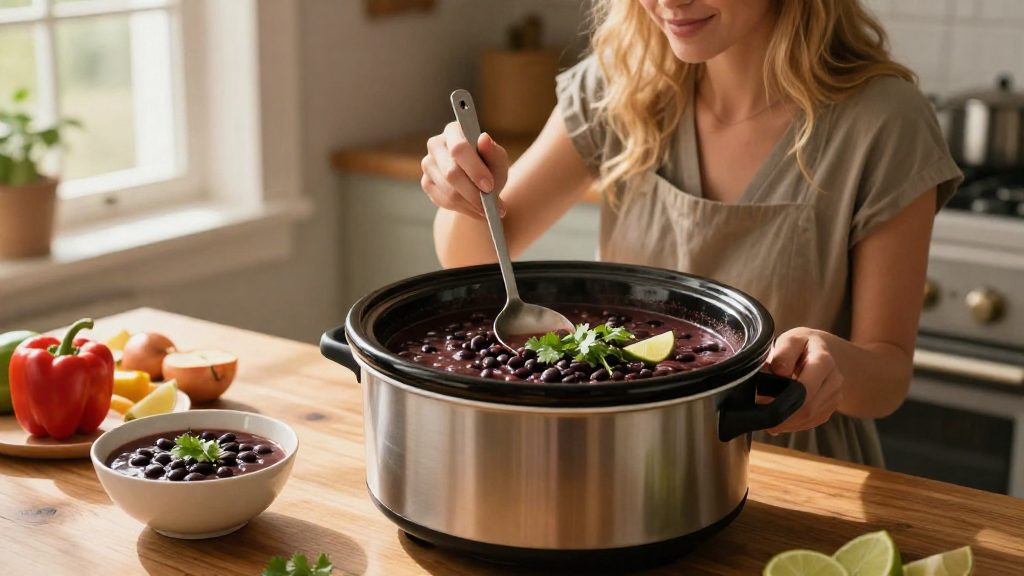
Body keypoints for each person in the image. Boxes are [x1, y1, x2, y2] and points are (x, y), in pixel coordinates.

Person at [418, 0, 962, 466]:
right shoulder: (620, 85)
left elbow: (888, 372)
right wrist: (466, 189)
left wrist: (832, 359)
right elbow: (467, 258)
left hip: (799, 472)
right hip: (630, 460)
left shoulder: (886, 121)